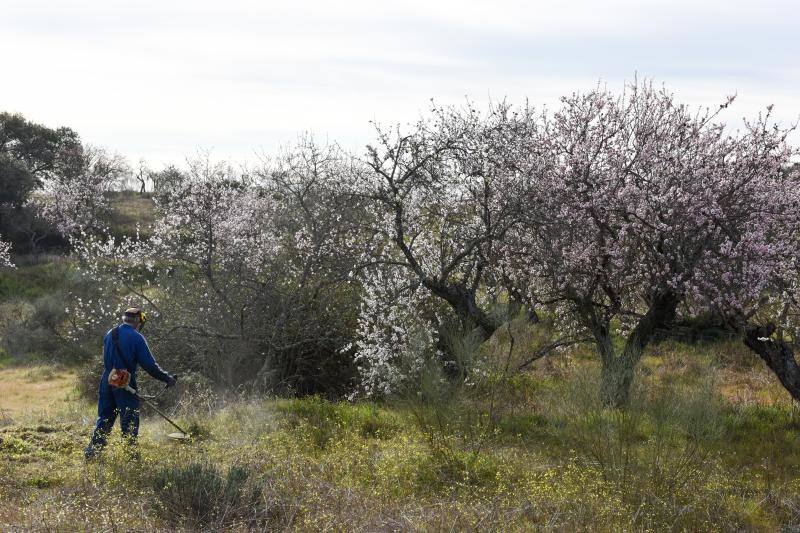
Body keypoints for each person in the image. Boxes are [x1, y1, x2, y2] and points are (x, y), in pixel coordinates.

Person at [84, 307, 176, 459]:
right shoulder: (136, 337)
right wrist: (167, 378)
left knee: (104, 418)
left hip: (108, 379)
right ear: (138, 321)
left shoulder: (110, 333)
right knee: (129, 420)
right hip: (124, 381)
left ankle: (92, 453)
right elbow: (150, 366)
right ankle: (131, 457)